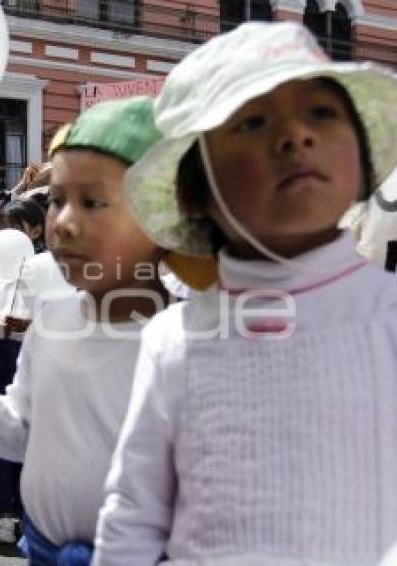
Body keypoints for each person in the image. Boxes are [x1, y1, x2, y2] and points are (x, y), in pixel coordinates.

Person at [93, 22, 397, 566]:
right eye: (253, 122)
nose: (296, 136)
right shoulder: (173, 339)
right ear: (194, 191)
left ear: (363, 157)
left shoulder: (386, 315)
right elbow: (134, 510)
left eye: (322, 114)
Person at [0, 97, 167, 563]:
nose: (65, 223)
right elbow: (22, 433)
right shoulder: (54, 319)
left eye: (94, 201)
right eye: (56, 200)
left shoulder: (192, 336)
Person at [0, 199, 47, 544]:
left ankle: (33, 512)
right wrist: (2, 327)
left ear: (35, 231)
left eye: (17, 227)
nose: (9, 235)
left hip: (39, 359)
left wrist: (29, 325)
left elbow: (66, 318)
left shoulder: (51, 269)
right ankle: (2, 512)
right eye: (4, 227)